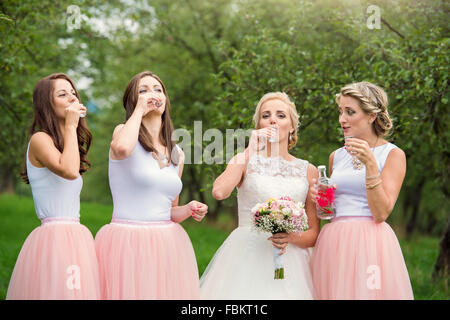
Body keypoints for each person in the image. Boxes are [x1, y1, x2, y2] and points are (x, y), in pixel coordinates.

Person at [95, 71, 208, 299]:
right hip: (127, 242)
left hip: (166, 245)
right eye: (143, 90)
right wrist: (139, 110)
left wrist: (188, 209)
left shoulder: (177, 153)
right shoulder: (122, 133)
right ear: (132, 101)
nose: (152, 94)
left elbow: (168, 212)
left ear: (165, 100)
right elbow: (123, 149)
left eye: (157, 89)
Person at [200, 92, 319, 299]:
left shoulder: (308, 171)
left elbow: (313, 233)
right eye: (266, 115)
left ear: (292, 127)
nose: (272, 119)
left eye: (281, 115)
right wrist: (249, 151)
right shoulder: (244, 160)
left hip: (291, 261)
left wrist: (290, 237)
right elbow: (219, 192)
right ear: (259, 126)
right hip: (246, 255)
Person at [310, 81, 414, 299]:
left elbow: (381, 213)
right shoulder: (336, 156)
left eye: (350, 112)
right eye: (340, 112)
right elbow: (329, 211)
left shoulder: (392, 154)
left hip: (370, 242)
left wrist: (370, 164)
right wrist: (319, 198)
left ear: (371, 116)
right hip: (333, 241)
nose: (342, 120)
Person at [6, 73, 100, 299]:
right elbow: (68, 171)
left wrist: (70, 130)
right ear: (47, 104)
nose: (71, 98)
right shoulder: (40, 139)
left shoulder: (66, 143)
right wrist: (70, 126)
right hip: (55, 240)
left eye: (73, 93)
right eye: (62, 94)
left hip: (76, 237)